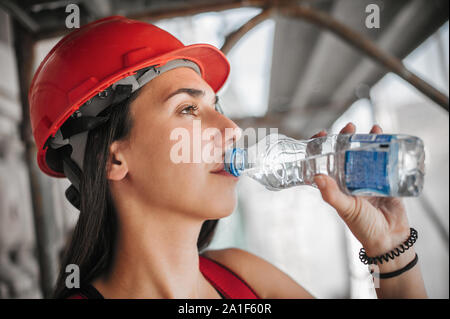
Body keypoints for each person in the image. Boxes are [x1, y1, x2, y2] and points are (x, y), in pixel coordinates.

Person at [28, 16, 427, 299]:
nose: (232, 128)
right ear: (112, 160)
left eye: (216, 105)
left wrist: (389, 249)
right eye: (188, 109)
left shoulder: (244, 277)